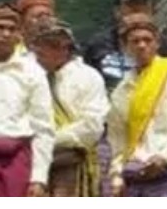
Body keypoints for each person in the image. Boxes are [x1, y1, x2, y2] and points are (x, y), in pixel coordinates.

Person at [105, 14, 167, 197]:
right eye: (135, 41)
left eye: (147, 40)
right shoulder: (121, 91)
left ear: (157, 43)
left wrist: (164, 157)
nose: (142, 45)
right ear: (125, 47)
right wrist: (116, 174)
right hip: (135, 175)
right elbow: (117, 142)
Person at [31, 17, 109, 198]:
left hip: (71, 160)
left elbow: (91, 125)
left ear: (67, 47)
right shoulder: (26, 75)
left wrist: (48, 140)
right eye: (41, 44)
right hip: (31, 163)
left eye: (56, 44)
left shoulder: (87, 77)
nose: (43, 50)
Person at [0, 2, 54, 197]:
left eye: (12, 29)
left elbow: (43, 128)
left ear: (19, 35)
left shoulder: (32, 72)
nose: (5, 34)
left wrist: (39, 178)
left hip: (15, 163)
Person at [84, 0, 167, 94]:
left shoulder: (165, 46)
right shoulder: (98, 45)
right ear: (117, 10)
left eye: (143, 5)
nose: (138, 11)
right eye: (131, 6)